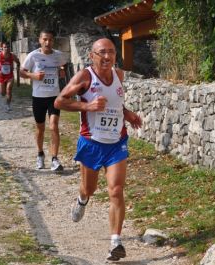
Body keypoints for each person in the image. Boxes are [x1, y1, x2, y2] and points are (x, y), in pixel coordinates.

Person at [54, 38, 142, 261]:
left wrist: (128, 113)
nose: (107, 56)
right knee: (89, 189)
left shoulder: (119, 76)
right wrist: (87, 106)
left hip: (116, 143)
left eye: (111, 52)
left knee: (116, 190)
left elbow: (115, 103)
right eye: (102, 52)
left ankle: (116, 242)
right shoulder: (85, 77)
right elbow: (59, 102)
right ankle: (82, 200)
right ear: (92, 56)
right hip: (92, 142)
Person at [20, 29, 67, 171]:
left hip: (54, 97)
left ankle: (55, 159)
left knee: (54, 126)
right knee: (40, 128)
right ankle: (40, 154)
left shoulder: (58, 55)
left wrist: (62, 70)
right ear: (40, 40)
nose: (48, 42)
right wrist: (34, 76)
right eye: (45, 39)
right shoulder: (33, 56)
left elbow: (64, 66)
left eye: (50, 40)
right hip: (38, 97)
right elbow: (22, 72)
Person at [0, 42, 20, 111]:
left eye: (8, 47)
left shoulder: (12, 55)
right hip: (1, 76)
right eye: (5, 47)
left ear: (10, 48)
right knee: (2, 93)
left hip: (10, 76)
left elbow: (18, 62)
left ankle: (8, 105)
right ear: (2, 48)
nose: (6, 49)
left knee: (9, 90)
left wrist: (17, 68)